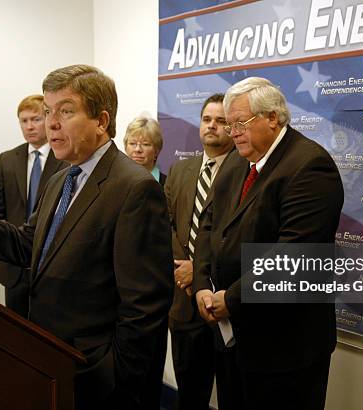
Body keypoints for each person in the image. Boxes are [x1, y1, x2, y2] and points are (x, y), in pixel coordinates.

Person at [0, 64, 174, 410]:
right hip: (52, 360)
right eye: (48, 111)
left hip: (99, 376)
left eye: (65, 112)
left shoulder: (134, 188)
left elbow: (145, 306)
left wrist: (116, 377)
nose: (51, 123)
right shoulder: (61, 180)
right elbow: (27, 244)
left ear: (101, 120)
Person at [192, 77, 344, 409]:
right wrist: (202, 284)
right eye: (230, 125)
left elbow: (293, 256)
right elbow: (209, 224)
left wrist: (229, 299)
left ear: (272, 118)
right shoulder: (236, 160)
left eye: (239, 123)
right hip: (231, 338)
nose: (232, 133)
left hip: (285, 349)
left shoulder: (309, 166)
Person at [164, 93, 234, 410]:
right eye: (207, 119)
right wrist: (186, 267)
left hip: (225, 305)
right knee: (190, 396)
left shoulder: (245, 171)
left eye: (221, 121)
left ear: (233, 127)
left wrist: (201, 271)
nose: (212, 126)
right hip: (182, 303)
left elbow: (240, 240)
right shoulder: (180, 170)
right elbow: (163, 223)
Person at [0, 94, 67, 317]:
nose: (29, 126)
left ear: (48, 119)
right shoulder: (7, 159)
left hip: (52, 267)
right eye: (24, 121)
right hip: (14, 270)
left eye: (36, 119)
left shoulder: (65, 159)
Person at [124, 116, 166, 185]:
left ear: (156, 150)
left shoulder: (168, 185)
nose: (138, 149)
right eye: (132, 143)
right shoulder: (115, 182)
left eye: (145, 144)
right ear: (125, 147)